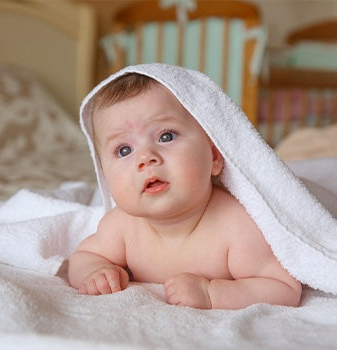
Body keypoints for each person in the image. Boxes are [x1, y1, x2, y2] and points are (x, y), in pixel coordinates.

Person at [68, 72, 302, 310]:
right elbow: (82, 258)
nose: (145, 158)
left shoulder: (236, 226)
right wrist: (97, 271)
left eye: (166, 136)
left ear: (213, 156)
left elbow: (283, 288)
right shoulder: (121, 226)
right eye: (124, 150)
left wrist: (213, 294)